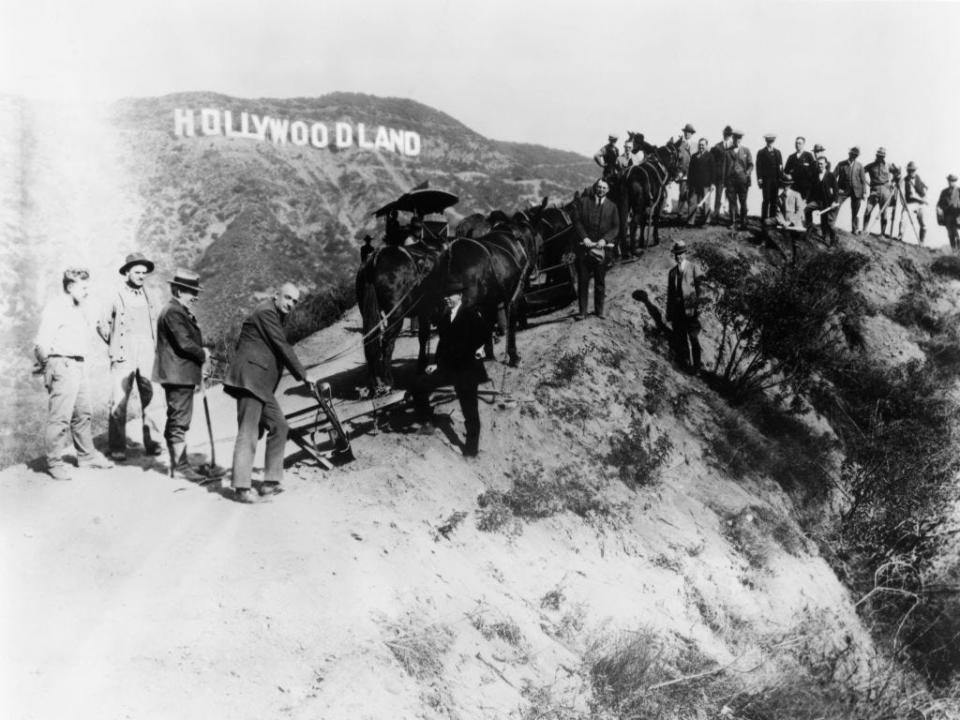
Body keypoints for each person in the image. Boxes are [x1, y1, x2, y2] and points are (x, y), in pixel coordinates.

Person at [223, 283, 310, 504]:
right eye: (287, 298)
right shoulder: (266, 312)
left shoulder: (273, 314)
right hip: (250, 380)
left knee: (279, 426)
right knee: (249, 432)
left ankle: (270, 482)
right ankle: (242, 488)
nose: (290, 304)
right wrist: (304, 376)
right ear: (276, 295)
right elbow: (282, 345)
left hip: (260, 384)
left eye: (294, 301)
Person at [35, 267, 114, 481]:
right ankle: (54, 462)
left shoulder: (78, 308)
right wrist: (50, 367)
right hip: (61, 364)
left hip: (77, 365)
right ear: (70, 287)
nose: (87, 291)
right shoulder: (56, 307)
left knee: (82, 414)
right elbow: (41, 344)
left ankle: (86, 456)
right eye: (84, 287)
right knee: (60, 418)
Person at [411, 280, 491, 458]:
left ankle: (471, 450)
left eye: (450, 295)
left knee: (469, 410)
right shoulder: (446, 316)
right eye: (445, 296)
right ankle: (427, 423)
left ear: (460, 296)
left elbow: (485, 333)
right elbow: (443, 344)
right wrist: (436, 363)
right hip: (448, 368)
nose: (446, 298)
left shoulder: (470, 313)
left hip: (467, 369)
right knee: (419, 385)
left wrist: (477, 350)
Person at [97, 252, 163, 461]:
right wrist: (115, 343)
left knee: (152, 397)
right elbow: (102, 324)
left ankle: (152, 442)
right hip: (124, 353)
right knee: (119, 399)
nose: (141, 276)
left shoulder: (152, 295)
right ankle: (117, 446)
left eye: (144, 273)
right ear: (127, 272)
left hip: (148, 351)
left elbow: (159, 322)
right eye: (137, 272)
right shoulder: (115, 295)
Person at [153, 268, 208, 481]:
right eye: (189, 291)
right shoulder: (174, 312)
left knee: (177, 418)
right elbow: (185, 343)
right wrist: (203, 353)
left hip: (180, 374)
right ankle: (181, 468)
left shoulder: (178, 310)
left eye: (194, 291)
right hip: (178, 375)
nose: (195, 296)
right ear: (177, 290)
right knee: (179, 420)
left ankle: (180, 464)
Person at [573, 178, 619, 315]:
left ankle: (599, 311)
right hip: (585, 249)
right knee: (583, 281)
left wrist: (605, 240)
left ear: (608, 190)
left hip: (601, 251)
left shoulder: (612, 207)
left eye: (604, 188)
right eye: (599, 187)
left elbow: (616, 227)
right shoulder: (584, 202)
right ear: (595, 188)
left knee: (600, 281)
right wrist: (584, 237)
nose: (601, 190)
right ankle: (582, 312)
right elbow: (577, 221)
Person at [666, 241, 702, 373]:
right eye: (676, 254)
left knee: (693, 337)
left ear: (685, 254)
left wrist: (698, 306)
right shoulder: (672, 273)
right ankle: (686, 364)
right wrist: (669, 312)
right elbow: (670, 295)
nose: (678, 257)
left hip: (691, 309)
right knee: (681, 337)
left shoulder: (693, 268)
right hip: (678, 310)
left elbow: (701, 288)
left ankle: (697, 367)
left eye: (680, 254)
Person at [805, 156, 840, 245]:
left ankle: (832, 240)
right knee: (807, 209)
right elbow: (810, 188)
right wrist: (807, 199)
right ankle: (809, 229)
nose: (819, 165)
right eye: (818, 163)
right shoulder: (814, 174)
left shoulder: (830, 175)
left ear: (825, 164)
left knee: (827, 222)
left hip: (827, 202)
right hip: (817, 201)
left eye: (821, 164)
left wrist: (834, 201)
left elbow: (836, 189)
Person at [835, 147, 867, 234]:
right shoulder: (841, 164)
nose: (853, 156)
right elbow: (833, 177)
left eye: (855, 155)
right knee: (836, 205)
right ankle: (830, 225)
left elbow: (863, 181)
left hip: (857, 191)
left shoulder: (860, 166)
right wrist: (837, 189)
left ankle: (855, 229)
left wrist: (864, 192)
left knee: (855, 210)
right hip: (843, 190)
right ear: (849, 154)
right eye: (852, 154)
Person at [725, 129, 753, 230]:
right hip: (731, 181)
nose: (738, 140)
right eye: (736, 138)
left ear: (741, 139)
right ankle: (733, 221)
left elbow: (751, 164)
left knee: (743, 201)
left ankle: (744, 222)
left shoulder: (746, 150)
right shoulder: (727, 152)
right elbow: (724, 167)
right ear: (733, 138)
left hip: (742, 181)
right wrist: (725, 181)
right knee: (732, 202)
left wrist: (747, 173)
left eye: (739, 138)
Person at [864, 147, 894, 237]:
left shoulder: (888, 166)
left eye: (882, 156)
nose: (880, 157)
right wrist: (868, 183)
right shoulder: (871, 165)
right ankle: (864, 229)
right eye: (879, 155)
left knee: (884, 213)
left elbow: (898, 174)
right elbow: (861, 173)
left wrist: (892, 183)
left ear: (884, 156)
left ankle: (882, 233)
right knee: (868, 210)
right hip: (874, 190)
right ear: (876, 155)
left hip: (886, 190)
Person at [686, 138, 714, 226]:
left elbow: (713, 171)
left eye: (703, 145)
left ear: (706, 146)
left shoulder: (710, 156)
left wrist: (712, 183)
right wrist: (689, 182)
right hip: (694, 184)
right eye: (700, 145)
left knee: (706, 203)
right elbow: (690, 171)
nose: (701, 146)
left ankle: (706, 221)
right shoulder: (694, 156)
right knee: (692, 202)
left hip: (706, 183)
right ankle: (691, 221)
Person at [756, 134, 783, 224]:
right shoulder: (761, 152)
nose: (770, 144)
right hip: (766, 180)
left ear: (773, 142)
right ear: (766, 142)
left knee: (774, 200)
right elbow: (758, 167)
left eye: (771, 142)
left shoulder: (778, 152)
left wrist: (781, 179)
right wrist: (759, 178)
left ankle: (772, 219)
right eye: (768, 142)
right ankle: (764, 219)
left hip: (775, 180)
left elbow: (780, 167)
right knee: (766, 199)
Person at [709, 125, 734, 224]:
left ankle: (732, 217)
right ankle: (716, 215)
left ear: (731, 135)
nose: (727, 136)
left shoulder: (734, 146)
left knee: (731, 196)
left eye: (729, 134)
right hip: (720, 176)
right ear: (723, 134)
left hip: (730, 176)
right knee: (718, 196)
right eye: (725, 134)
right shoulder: (717, 146)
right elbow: (713, 161)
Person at [900, 161, 928, 244]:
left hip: (921, 204)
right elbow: (901, 194)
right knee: (903, 218)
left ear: (915, 170)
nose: (911, 172)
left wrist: (924, 197)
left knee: (923, 223)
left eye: (913, 170)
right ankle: (899, 236)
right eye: (909, 170)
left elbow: (926, 189)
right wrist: (903, 204)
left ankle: (921, 242)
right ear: (907, 171)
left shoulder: (919, 178)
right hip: (910, 203)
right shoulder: (904, 180)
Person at [675, 123, 696, 214]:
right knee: (682, 193)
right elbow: (677, 159)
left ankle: (690, 213)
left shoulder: (695, 145)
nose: (687, 134)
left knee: (692, 194)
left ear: (692, 134)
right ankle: (680, 212)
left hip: (693, 173)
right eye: (686, 132)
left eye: (689, 132)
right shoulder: (680, 144)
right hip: (683, 173)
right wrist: (679, 171)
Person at [937, 174, 960, 252]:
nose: (951, 182)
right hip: (948, 216)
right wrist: (939, 210)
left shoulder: (959, 190)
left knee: (957, 234)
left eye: (952, 181)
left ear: (955, 181)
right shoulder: (944, 192)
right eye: (949, 181)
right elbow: (939, 204)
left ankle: (958, 251)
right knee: (950, 234)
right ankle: (954, 250)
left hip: (957, 215)